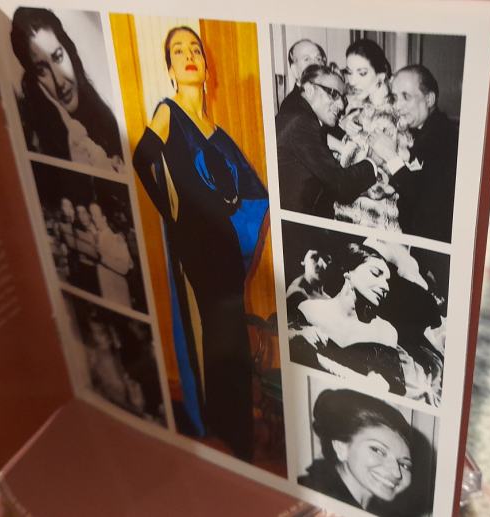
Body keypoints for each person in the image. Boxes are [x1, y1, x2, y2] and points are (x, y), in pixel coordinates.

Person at [132, 26, 268, 461]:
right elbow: (142, 158)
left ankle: (233, 434)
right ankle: (229, 436)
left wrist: (239, 228)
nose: (189, 55)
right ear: (171, 69)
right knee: (222, 341)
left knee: (231, 342)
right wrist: (172, 214)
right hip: (202, 252)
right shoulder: (168, 111)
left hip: (227, 252)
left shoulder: (218, 132)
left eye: (195, 50)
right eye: (179, 51)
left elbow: (254, 191)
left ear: (207, 69)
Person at [10, 7, 124, 171]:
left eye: (58, 57)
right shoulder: (40, 150)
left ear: (69, 52)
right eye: (42, 70)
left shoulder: (105, 119)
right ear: (33, 80)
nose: (59, 82)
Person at [289, 243, 405, 394]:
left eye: (387, 281)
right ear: (348, 272)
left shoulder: (385, 332)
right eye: (376, 273)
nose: (386, 287)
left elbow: (387, 390)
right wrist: (295, 336)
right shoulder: (309, 311)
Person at [276, 64, 385, 219]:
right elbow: (341, 186)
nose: (341, 105)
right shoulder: (301, 123)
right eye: (333, 94)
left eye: (343, 98)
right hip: (299, 226)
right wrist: (373, 161)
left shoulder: (298, 114)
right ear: (310, 89)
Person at [371, 64, 459, 242]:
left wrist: (391, 156)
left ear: (429, 99)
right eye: (395, 97)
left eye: (406, 97)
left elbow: (426, 199)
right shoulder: (419, 131)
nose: (398, 106)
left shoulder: (446, 136)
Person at [332, 39, 411, 231]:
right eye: (349, 72)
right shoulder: (359, 111)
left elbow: (371, 180)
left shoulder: (388, 118)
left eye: (362, 73)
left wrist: (338, 145)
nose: (352, 81)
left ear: (380, 77)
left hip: (374, 224)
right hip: (352, 219)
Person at [298, 389, 417, 516]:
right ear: (341, 448)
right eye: (378, 451)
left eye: (404, 465)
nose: (397, 473)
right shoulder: (309, 501)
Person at [90, 202, 133, 307]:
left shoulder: (116, 237)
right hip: (106, 294)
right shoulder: (96, 236)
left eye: (95, 215)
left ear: (104, 218)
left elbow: (125, 268)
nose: (92, 218)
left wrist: (103, 258)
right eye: (91, 214)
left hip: (118, 296)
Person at [280, 39, 326, 114]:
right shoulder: (292, 106)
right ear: (294, 70)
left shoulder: (327, 96)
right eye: (307, 59)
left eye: (318, 59)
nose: (315, 63)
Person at [285, 249, 330, 318]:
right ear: (303, 261)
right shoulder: (297, 293)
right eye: (314, 257)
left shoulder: (326, 296)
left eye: (326, 259)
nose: (321, 264)